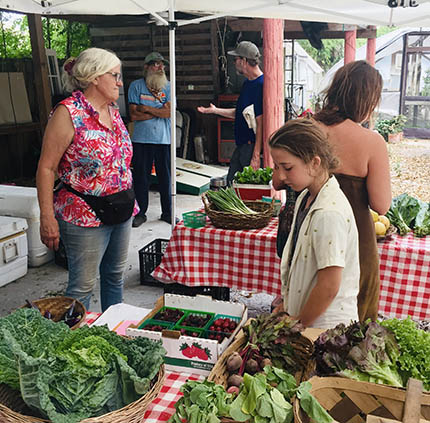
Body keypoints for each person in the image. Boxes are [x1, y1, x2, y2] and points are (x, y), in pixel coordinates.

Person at [36, 47, 137, 312]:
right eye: (114, 75)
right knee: (82, 286)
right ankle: (74, 344)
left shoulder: (113, 111)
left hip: (122, 207)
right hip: (84, 214)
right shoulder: (68, 113)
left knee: (115, 277)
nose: (120, 81)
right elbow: (46, 168)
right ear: (94, 77)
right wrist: (46, 217)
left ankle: (111, 335)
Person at [313, 60, 392, 322]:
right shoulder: (372, 141)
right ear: (366, 100)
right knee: (353, 323)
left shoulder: (309, 130)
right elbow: (381, 205)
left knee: (309, 309)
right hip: (355, 239)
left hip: (311, 229)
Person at [270, 119, 360, 329]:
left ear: (314, 163)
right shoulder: (306, 197)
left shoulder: (329, 213)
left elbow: (329, 285)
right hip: (307, 317)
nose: (281, 176)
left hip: (325, 326)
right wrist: (287, 304)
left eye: (288, 167)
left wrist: (298, 322)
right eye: (277, 167)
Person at [197, 41, 264, 184]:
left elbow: (260, 122)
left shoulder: (261, 85)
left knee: (248, 189)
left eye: (236, 60)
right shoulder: (247, 84)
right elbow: (238, 113)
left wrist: (256, 155)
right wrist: (215, 110)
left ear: (244, 61)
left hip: (251, 147)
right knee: (231, 184)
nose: (234, 63)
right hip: (241, 146)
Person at [128, 51, 173, 227]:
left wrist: (145, 108)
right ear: (146, 67)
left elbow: (169, 113)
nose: (160, 67)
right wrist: (158, 112)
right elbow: (133, 115)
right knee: (141, 177)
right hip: (141, 139)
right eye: (156, 64)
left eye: (162, 64)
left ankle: (167, 212)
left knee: (166, 178)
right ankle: (140, 212)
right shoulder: (136, 86)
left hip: (164, 139)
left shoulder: (168, 86)